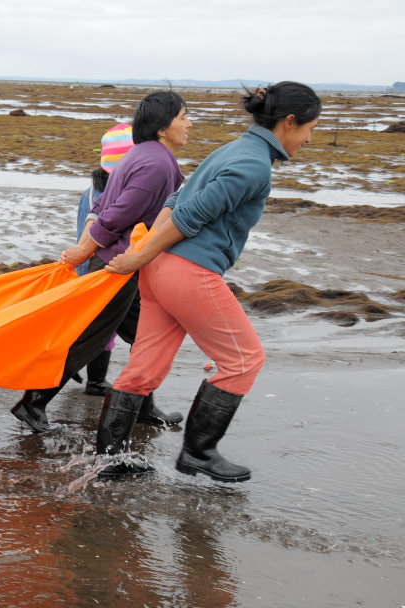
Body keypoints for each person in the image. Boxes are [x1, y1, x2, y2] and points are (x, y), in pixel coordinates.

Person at [94, 82, 322, 482]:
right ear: (288, 122)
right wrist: (139, 256)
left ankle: (109, 459)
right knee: (244, 359)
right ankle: (198, 452)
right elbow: (189, 215)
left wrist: (147, 256)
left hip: (162, 270)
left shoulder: (234, 149)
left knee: (143, 369)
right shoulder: (254, 164)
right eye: (309, 128)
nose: (308, 138)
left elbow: (174, 202)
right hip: (188, 272)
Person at [11, 92, 190, 433]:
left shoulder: (140, 155)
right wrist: (85, 250)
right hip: (118, 269)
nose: (189, 124)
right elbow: (117, 216)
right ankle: (32, 403)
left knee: (145, 337)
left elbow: (101, 207)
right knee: (89, 340)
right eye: (183, 117)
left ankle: (143, 407)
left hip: (125, 267)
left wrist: (85, 246)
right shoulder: (155, 163)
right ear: (164, 127)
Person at [77, 123, 133, 396]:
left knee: (98, 325)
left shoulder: (91, 191)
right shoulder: (115, 192)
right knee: (103, 327)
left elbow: (82, 234)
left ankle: (91, 377)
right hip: (105, 265)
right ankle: (95, 381)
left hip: (89, 264)